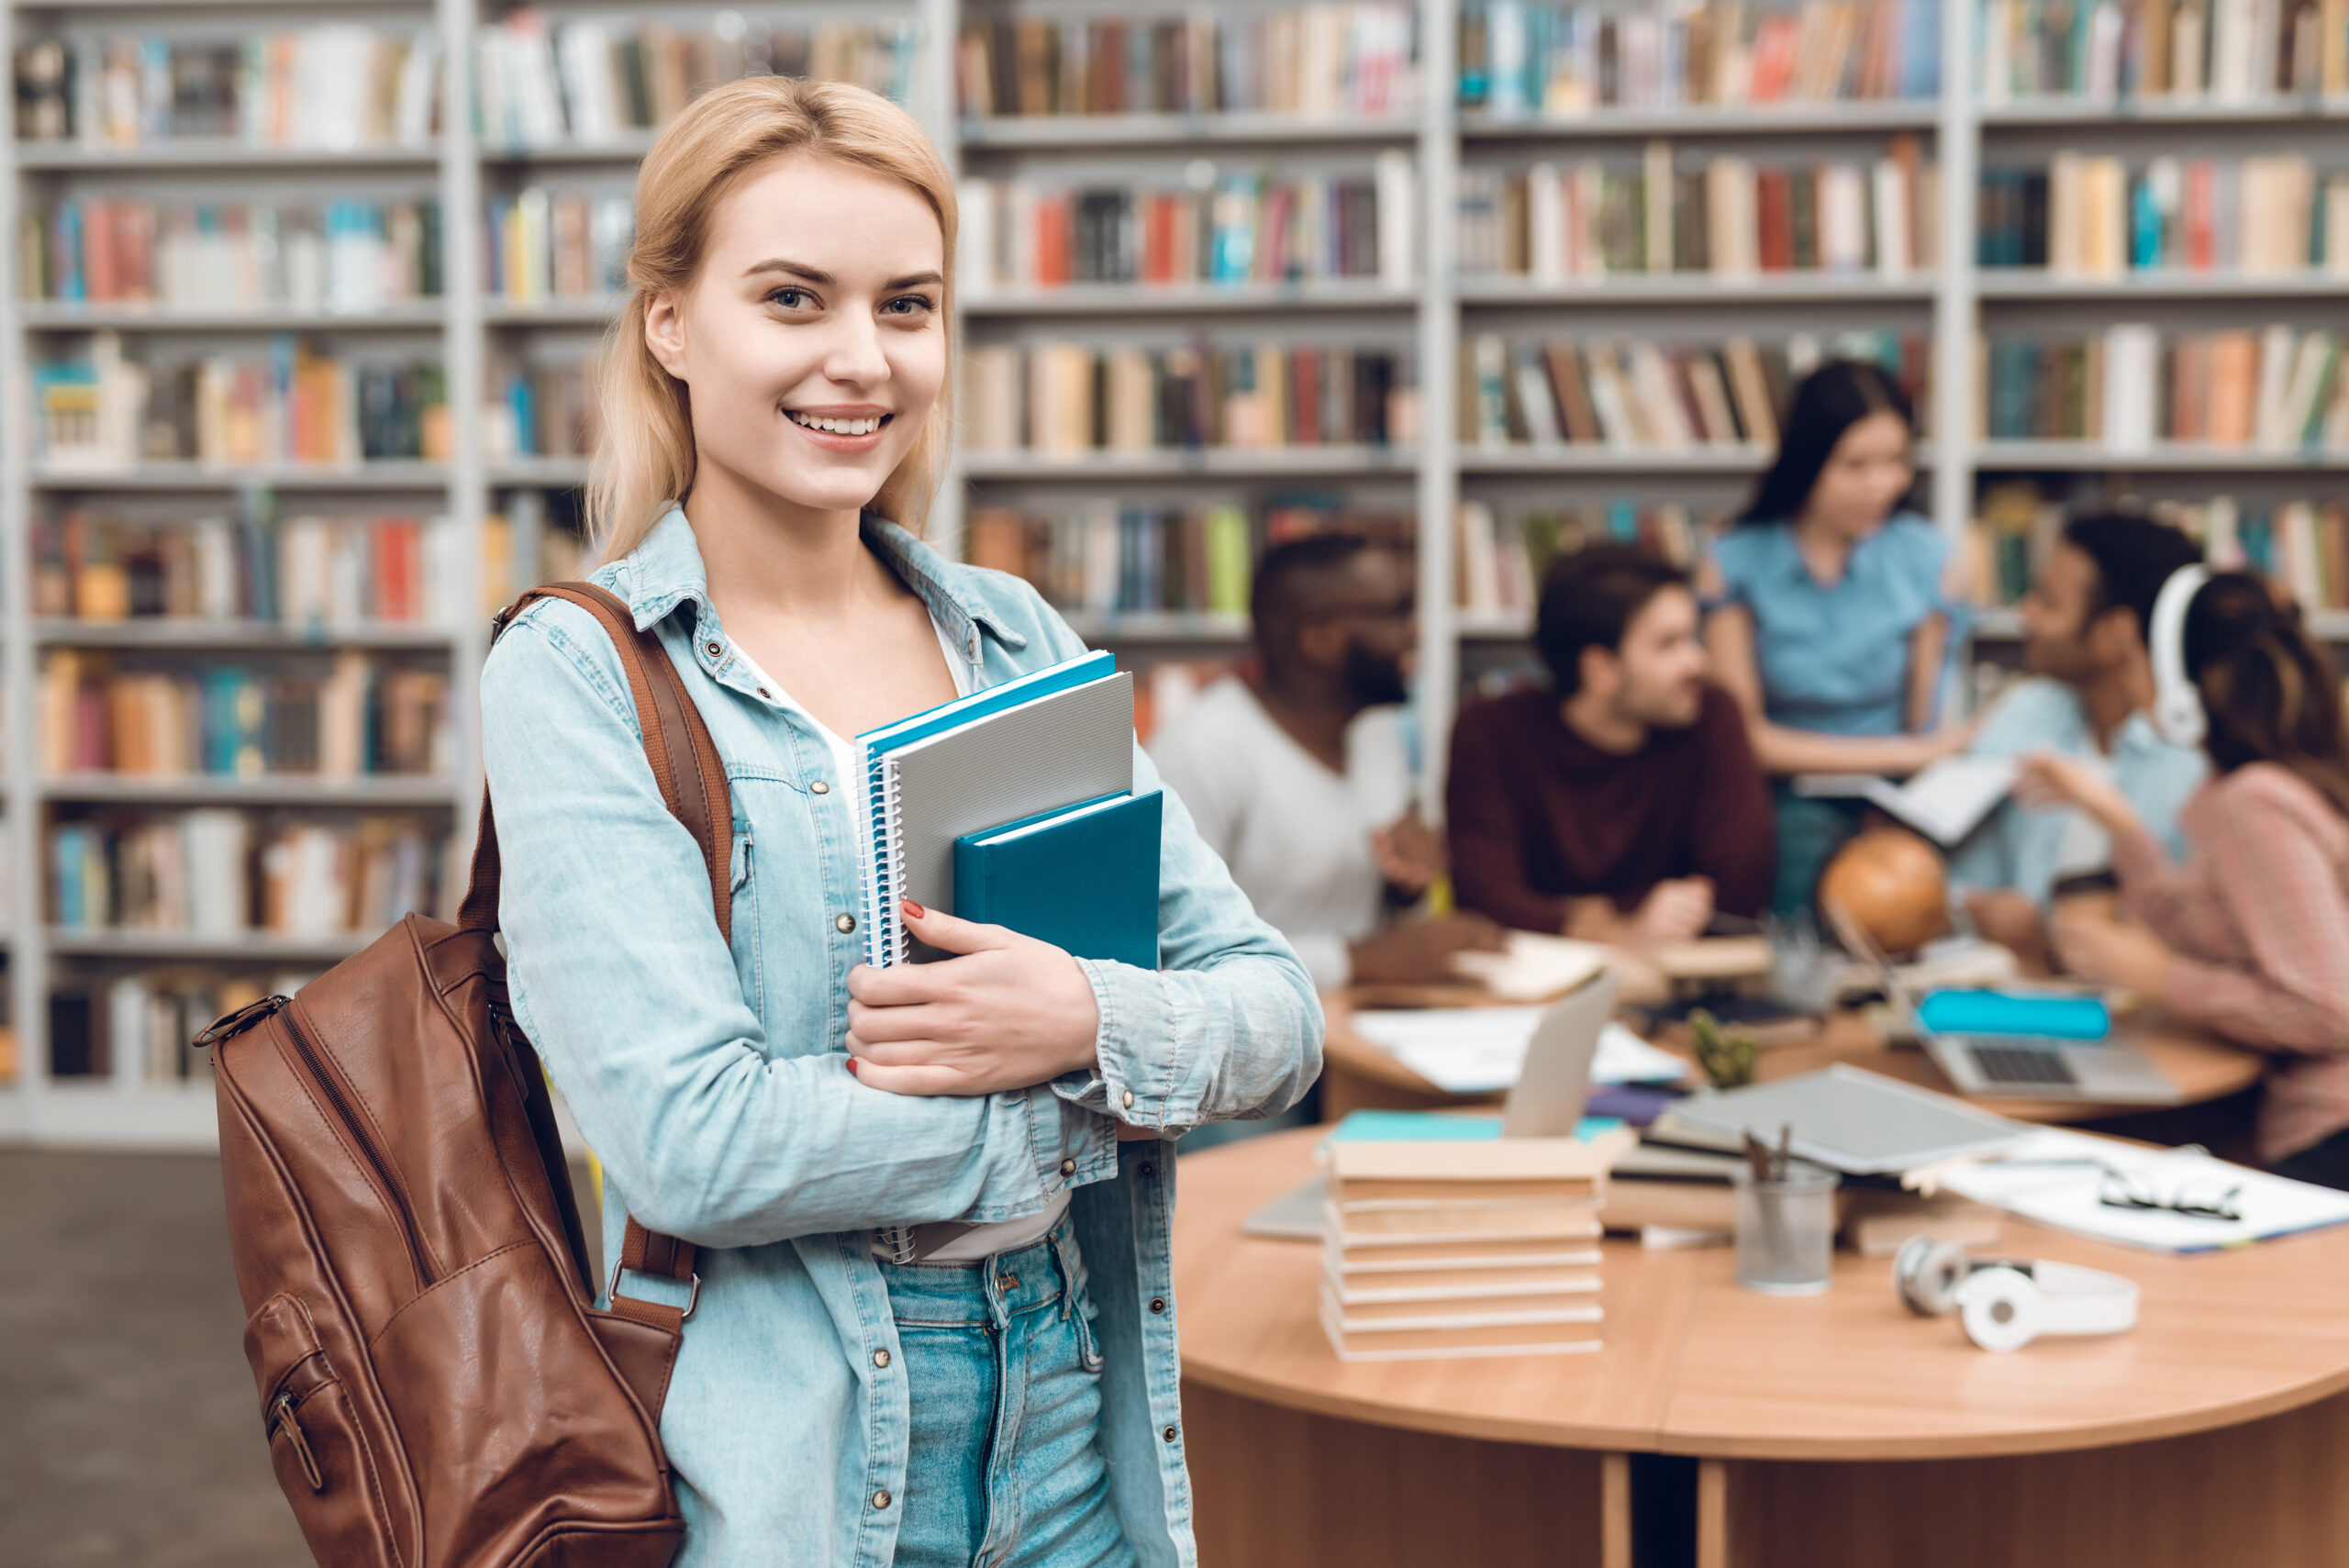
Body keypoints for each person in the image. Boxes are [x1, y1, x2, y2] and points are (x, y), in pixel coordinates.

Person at [478, 78, 1320, 1568]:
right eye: (794, 298)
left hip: (1074, 1422)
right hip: (798, 1449)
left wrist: (1077, 1008)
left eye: (908, 304)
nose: (860, 360)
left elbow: (1278, 1013)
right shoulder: (582, 669)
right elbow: (695, 1144)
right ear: (670, 321)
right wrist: (1074, 1094)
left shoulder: (1015, 637)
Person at [2021, 572, 2349, 1187]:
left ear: (2178, 684)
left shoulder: (2256, 802)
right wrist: (2116, 817)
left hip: (2331, 1134)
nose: (2126, 678)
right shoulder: (2261, 787)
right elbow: (2214, 931)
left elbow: (2327, 1006)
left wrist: (2158, 978)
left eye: (2136, 661)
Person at [1149, 532, 1504, 987]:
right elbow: (1172, 956)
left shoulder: (1375, 734)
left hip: (1368, 1023)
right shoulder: (1201, 751)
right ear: (1319, 638)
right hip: (1263, 1049)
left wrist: (1405, 888)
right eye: (1396, 611)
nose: (1414, 630)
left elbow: (1364, 913)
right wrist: (1358, 961)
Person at [1702, 360, 1970, 912]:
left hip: (1898, 792)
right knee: (1802, 848)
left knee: (1924, 879)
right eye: (1855, 466)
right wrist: (1898, 754)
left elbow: (1927, 721)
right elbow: (1746, 736)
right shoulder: (1734, 561)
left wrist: (1911, 764)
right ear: (1808, 461)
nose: (1882, 485)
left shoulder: (1926, 556)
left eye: (1897, 461)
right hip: (1782, 790)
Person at [1448, 546, 1775, 941]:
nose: (1698, 662)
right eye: (1669, 644)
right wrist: (1623, 927)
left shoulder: (1711, 713)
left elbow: (1740, 891)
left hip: (1677, 977)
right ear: (1601, 669)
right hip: (1539, 979)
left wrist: (1573, 915)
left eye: (1694, 637)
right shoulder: (1490, 730)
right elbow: (1484, 901)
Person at [1950, 513, 2209, 971]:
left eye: (2048, 603)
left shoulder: (2200, 761)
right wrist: (1983, 914)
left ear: (2116, 634)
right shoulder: (2025, 711)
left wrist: (2045, 942)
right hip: (2014, 993)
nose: (2026, 613)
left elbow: (2200, 942)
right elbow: (1963, 877)